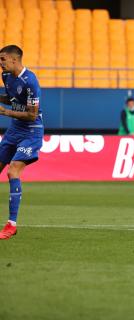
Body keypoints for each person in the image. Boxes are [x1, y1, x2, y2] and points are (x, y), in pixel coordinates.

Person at [0, 45, 43, 239]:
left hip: (31, 132)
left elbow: (32, 115)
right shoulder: (7, 77)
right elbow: (12, 99)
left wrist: (5, 112)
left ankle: (11, 224)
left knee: (13, 170)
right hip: (14, 130)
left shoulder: (31, 81)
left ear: (14, 60)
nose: (0, 63)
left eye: (3, 59)